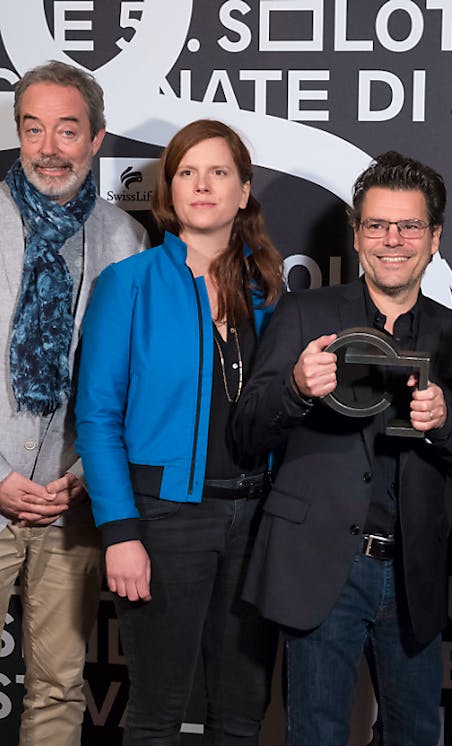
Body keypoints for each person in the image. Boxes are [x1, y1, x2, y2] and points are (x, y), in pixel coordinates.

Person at [231, 151, 452, 745]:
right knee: (315, 733)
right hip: (320, 567)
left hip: (412, 575)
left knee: (416, 733)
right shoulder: (304, 313)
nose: (392, 240)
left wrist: (445, 421)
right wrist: (295, 388)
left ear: (435, 237)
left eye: (409, 226)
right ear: (358, 232)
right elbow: (246, 431)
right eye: (377, 225)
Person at [74, 119, 284, 743]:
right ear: (169, 190)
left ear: (243, 191)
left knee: (242, 716)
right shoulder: (128, 285)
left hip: (256, 520)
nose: (202, 185)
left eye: (218, 172)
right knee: (158, 713)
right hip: (165, 521)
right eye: (187, 172)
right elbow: (98, 417)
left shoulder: (268, 292)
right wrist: (119, 533)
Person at [0, 60, 148, 744]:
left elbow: (132, 378)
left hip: (72, 501)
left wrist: (85, 476)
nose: (49, 147)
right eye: (34, 129)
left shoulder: (126, 240)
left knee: (60, 686)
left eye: (67, 130)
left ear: (96, 140)